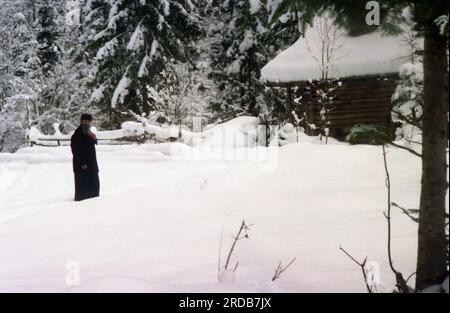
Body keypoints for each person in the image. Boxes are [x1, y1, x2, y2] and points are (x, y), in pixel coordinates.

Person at [70, 113, 100, 201]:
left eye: (88, 121)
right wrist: (82, 163)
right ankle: (82, 205)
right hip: (83, 166)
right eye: (85, 121)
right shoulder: (78, 134)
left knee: (93, 185)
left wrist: (94, 139)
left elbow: (90, 143)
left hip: (91, 164)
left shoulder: (88, 132)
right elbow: (76, 150)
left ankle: (93, 201)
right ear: (81, 121)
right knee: (83, 186)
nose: (87, 123)